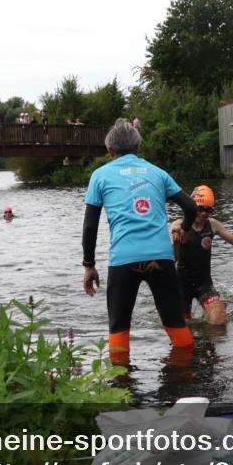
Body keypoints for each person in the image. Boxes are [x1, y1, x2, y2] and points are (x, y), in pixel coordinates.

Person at [81, 120, 198, 366]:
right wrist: (184, 230)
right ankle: (186, 378)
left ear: (110, 151)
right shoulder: (157, 173)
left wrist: (89, 265)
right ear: (139, 147)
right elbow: (190, 206)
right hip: (161, 258)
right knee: (176, 324)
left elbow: (90, 225)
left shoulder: (100, 176)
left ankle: (121, 388)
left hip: (124, 260)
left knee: (119, 328)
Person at [169, 185, 233, 326]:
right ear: (191, 207)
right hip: (181, 285)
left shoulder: (213, 225)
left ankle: (209, 340)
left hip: (204, 284)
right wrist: (176, 239)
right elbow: (171, 255)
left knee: (219, 321)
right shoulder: (179, 225)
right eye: (200, 209)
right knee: (183, 326)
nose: (204, 213)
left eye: (209, 210)